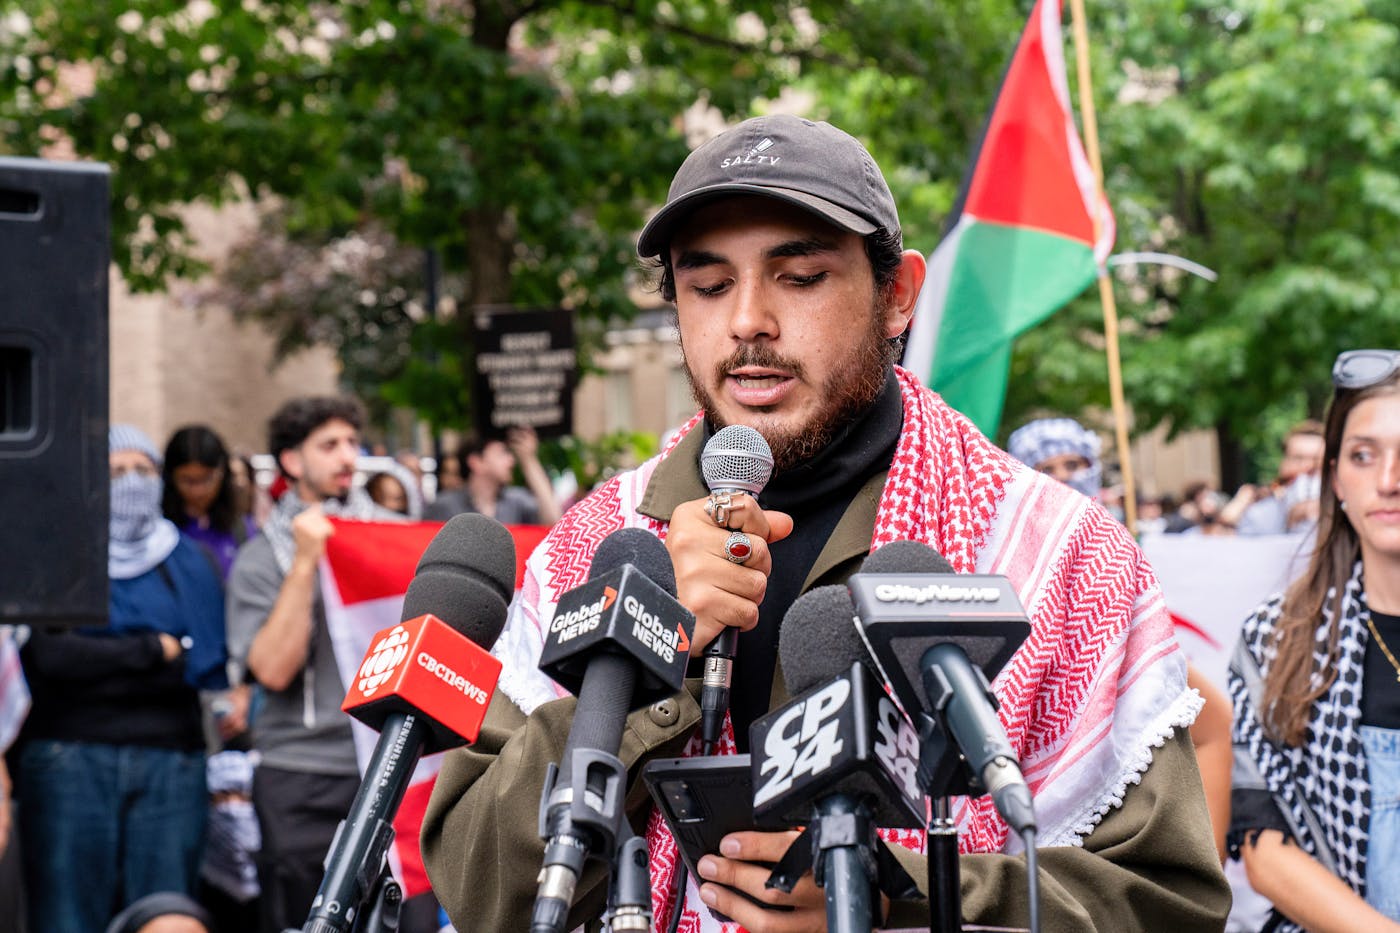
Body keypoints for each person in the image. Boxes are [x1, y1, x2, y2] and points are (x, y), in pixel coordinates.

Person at [421, 114, 1229, 931]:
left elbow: (1167, 903)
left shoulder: (1058, 553)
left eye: (800, 277)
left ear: (897, 296)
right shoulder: (585, 550)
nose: (747, 322)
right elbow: (479, 887)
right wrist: (648, 662)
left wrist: (891, 893)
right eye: (707, 286)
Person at [15, 425, 226, 933]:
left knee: (165, 913)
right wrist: (153, 648)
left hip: (170, 764)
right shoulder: (56, 555)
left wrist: (103, 652)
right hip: (69, 760)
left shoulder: (188, 560)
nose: (131, 483)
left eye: (143, 470)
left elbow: (204, 660)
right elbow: (50, 658)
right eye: (115, 472)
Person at [1008, 415, 1233, 861]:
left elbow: (1212, 724)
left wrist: (1205, 873)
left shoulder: (1116, 550)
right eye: (1046, 468)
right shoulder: (999, 560)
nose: (1064, 477)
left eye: (1074, 463)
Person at [1229, 348, 1400, 931]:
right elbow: (1265, 849)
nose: (1388, 480)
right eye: (1363, 455)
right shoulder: (1275, 641)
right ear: (1335, 478)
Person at [224, 397, 393, 933]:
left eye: (352, 443)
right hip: (300, 774)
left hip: (387, 762)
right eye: (329, 445)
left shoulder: (394, 535)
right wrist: (304, 563)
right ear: (292, 462)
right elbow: (271, 671)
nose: (348, 457)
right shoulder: (258, 559)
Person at [162, 425, 256, 580]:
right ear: (170, 477)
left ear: (223, 473)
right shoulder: (159, 531)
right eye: (187, 480)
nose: (198, 491)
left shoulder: (242, 530)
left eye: (207, 479)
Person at [424, 426, 561, 525]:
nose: (511, 461)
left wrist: (529, 460)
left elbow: (554, 522)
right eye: (502, 453)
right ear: (476, 462)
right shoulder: (444, 507)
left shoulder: (517, 502)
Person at [1236, 420, 1326, 536]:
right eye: (1298, 459)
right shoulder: (1258, 516)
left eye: (1317, 460)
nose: (1307, 467)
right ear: (1283, 464)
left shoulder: (1346, 515)